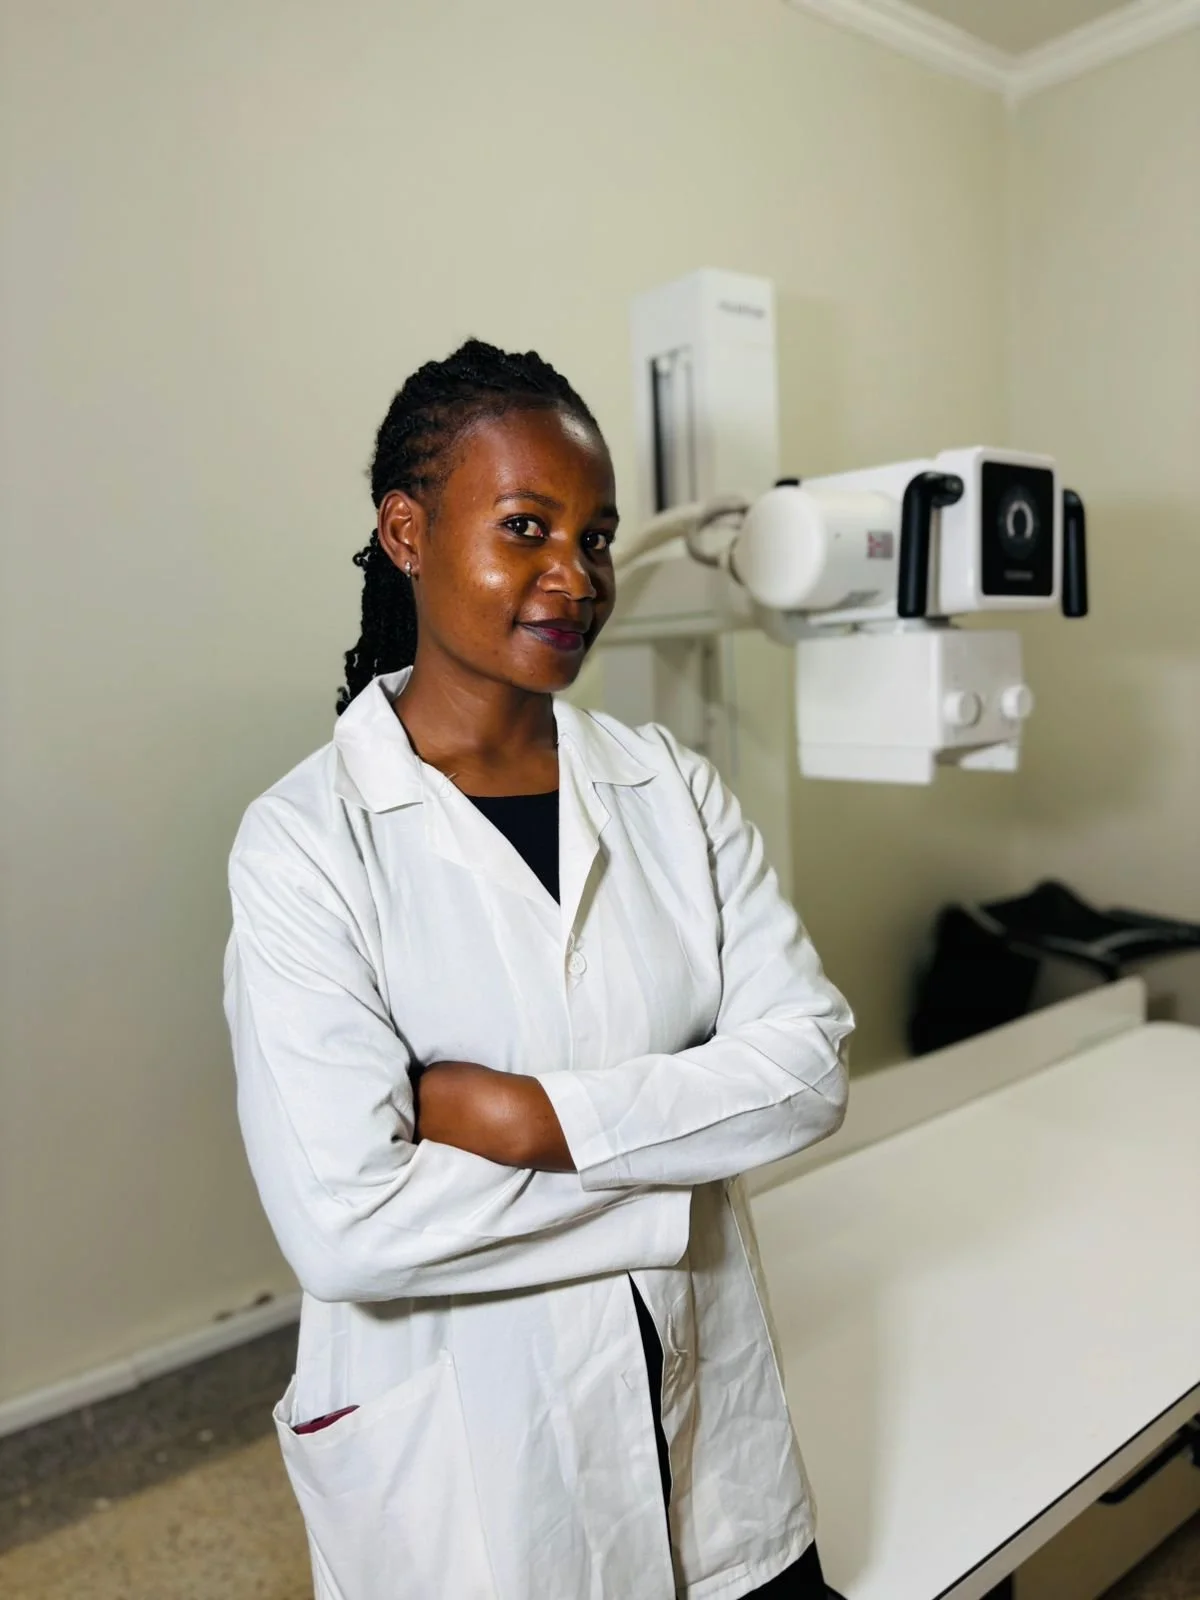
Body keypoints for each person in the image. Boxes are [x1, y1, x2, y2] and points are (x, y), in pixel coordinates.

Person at [223, 339, 854, 1600]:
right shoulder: (304, 842)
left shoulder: (670, 785)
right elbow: (347, 1226)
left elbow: (809, 1065)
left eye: (596, 537)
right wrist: (673, 1180)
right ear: (407, 532)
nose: (576, 575)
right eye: (526, 527)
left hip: (712, 1432)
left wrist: (524, 1119)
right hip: (476, 1465)